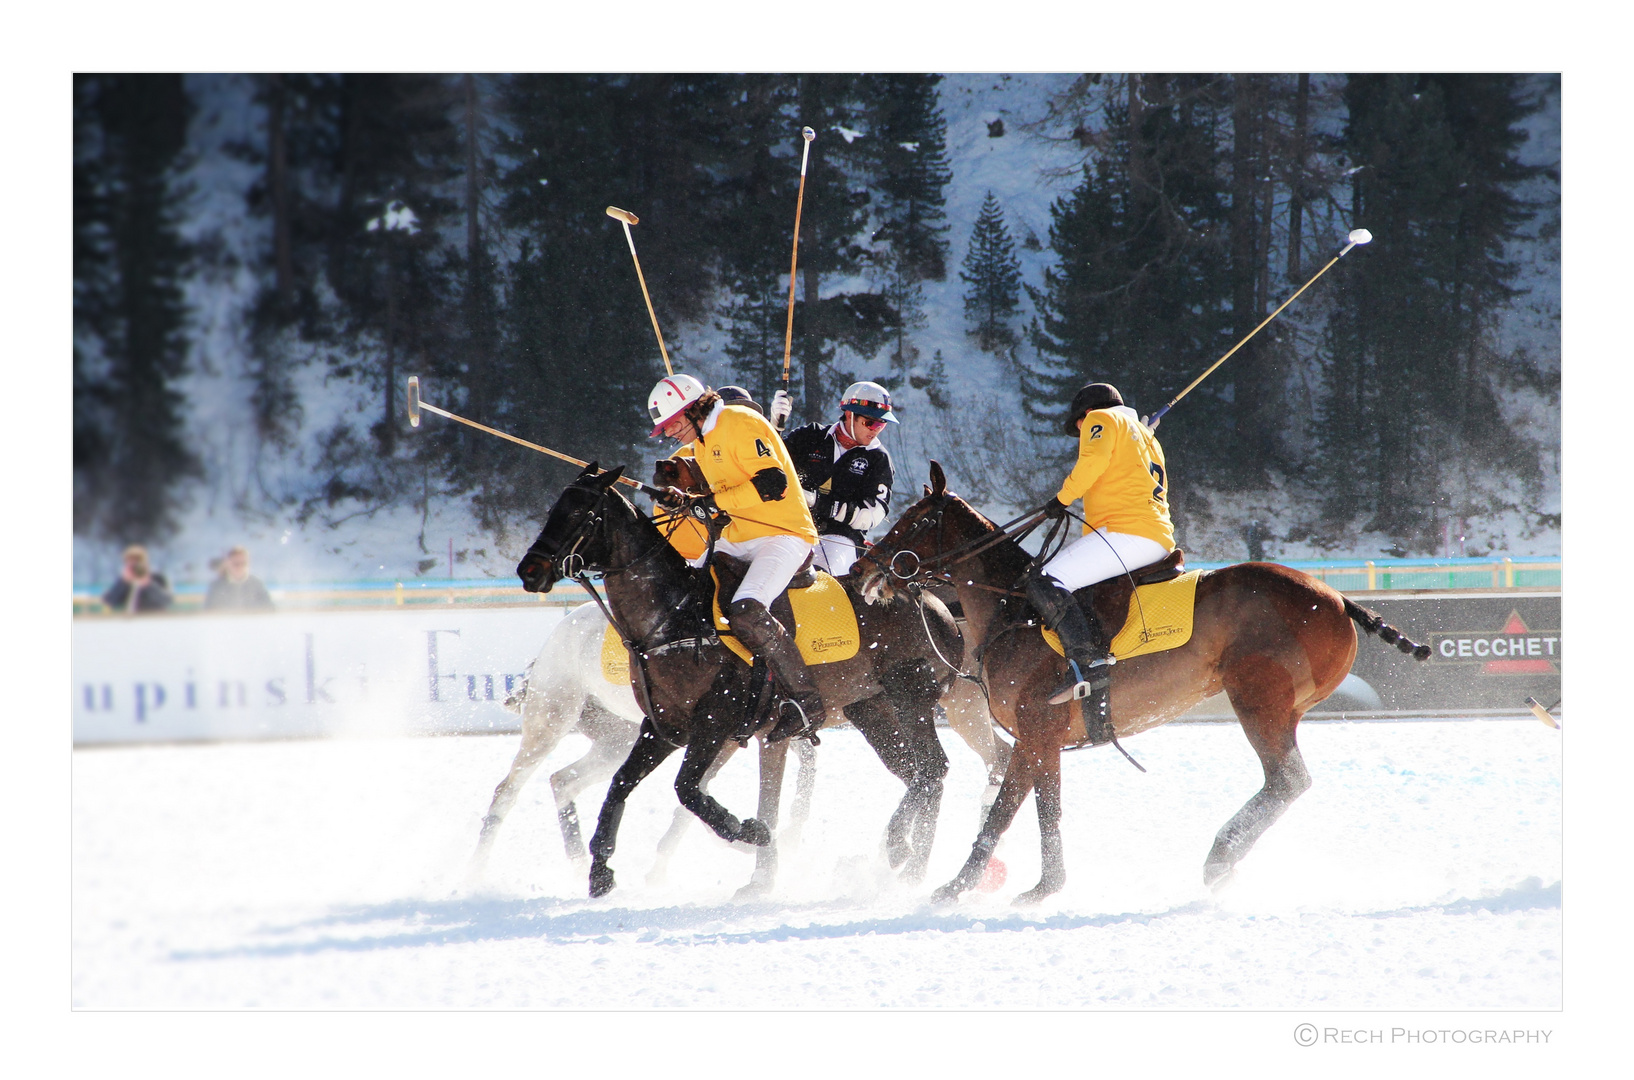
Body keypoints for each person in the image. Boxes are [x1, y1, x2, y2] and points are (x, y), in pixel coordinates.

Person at [648, 374, 825, 739]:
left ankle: (807, 702)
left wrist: (712, 503)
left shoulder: (741, 422)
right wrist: (684, 501)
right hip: (739, 535)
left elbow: (773, 483)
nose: (668, 433)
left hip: (783, 533)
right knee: (684, 593)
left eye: (670, 424)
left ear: (693, 410)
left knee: (747, 610)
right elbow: (720, 494)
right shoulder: (700, 441)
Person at [1027, 382, 1175, 706]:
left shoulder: (1101, 419)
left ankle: (1085, 665)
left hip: (1128, 532)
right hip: (1155, 536)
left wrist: (1061, 499)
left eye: (1078, 426)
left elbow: (1090, 464)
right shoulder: (1146, 435)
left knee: (1045, 580)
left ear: (1085, 414)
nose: (1081, 432)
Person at [772, 381, 896, 577]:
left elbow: (872, 515)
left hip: (839, 538)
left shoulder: (879, 459)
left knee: (820, 577)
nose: (875, 430)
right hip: (790, 528)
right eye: (870, 422)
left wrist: (820, 503)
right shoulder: (810, 436)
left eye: (881, 424)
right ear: (849, 415)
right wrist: (772, 429)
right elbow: (769, 467)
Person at [101, 545, 174, 614]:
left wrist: (149, 585)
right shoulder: (125, 582)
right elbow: (108, 601)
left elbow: (167, 601)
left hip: (154, 619)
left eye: (137, 561)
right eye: (130, 563)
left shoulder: (158, 578)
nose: (134, 566)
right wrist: (122, 582)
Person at [204, 545, 275, 611]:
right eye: (236, 564)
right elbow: (208, 613)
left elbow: (270, 610)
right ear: (228, 564)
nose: (240, 567)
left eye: (243, 563)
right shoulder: (217, 587)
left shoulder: (257, 585)